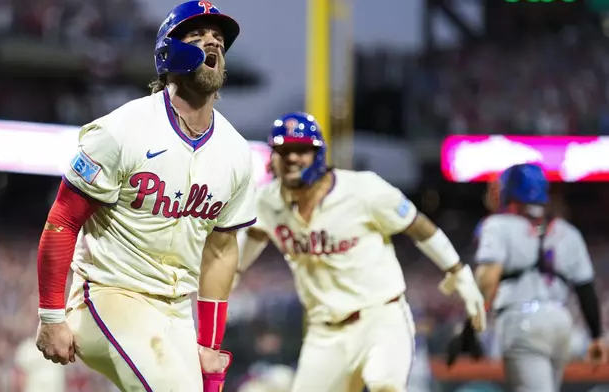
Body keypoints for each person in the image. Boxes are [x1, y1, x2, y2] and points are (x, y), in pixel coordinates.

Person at [34, 2, 256, 391]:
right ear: (168, 53)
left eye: (219, 39)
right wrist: (51, 316)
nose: (212, 44)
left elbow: (221, 250)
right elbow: (64, 218)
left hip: (175, 310)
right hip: (107, 295)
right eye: (197, 36)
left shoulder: (236, 152)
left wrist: (208, 343)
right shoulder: (123, 129)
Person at [236, 111, 486, 392]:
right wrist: (227, 280)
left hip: (380, 318)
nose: (292, 158)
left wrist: (458, 272)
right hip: (325, 332)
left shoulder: (363, 189)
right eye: (284, 150)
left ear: (318, 153)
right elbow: (247, 246)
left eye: (301, 149)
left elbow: (418, 226)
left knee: (384, 387)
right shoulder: (267, 202)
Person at [473, 163, 607, 391]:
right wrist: (596, 336)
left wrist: (471, 325)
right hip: (561, 322)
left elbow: (487, 280)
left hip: (522, 322)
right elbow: (586, 289)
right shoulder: (567, 230)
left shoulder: (498, 225)